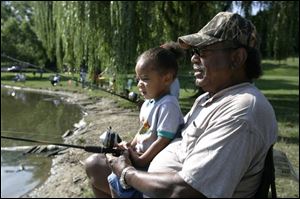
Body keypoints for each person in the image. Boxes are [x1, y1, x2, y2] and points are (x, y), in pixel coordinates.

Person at [85, 12, 278, 198]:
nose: (193, 58)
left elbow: (186, 192)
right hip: (157, 182)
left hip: (168, 191)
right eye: (194, 51)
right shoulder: (208, 99)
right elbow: (174, 138)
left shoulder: (241, 111)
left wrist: (126, 172)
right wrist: (132, 150)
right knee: (95, 164)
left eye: (203, 51)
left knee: (103, 167)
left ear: (237, 58)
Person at [85, 46, 184, 198]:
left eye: (145, 79)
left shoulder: (168, 104)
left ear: (166, 79)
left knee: (117, 182)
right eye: (138, 79)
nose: (139, 84)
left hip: (152, 165)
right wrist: (130, 144)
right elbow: (144, 129)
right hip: (140, 158)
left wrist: (141, 160)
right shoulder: (148, 103)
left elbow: (163, 140)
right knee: (112, 176)